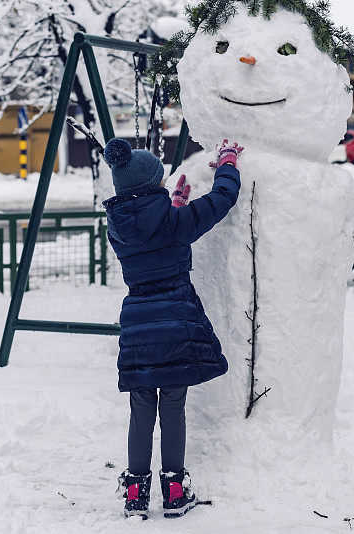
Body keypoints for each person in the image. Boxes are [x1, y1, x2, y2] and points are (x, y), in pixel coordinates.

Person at [102, 137, 243, 519]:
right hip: (176, 321)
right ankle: (175, 489)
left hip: (138, 326)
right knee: (174, 406)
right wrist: (227, 163)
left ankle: (135, 493)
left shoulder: (117, 228)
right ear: (153, 187)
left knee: (141, 407)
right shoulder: (176, 224)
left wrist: (173, 205)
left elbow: (148, 232)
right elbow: (221, 199)